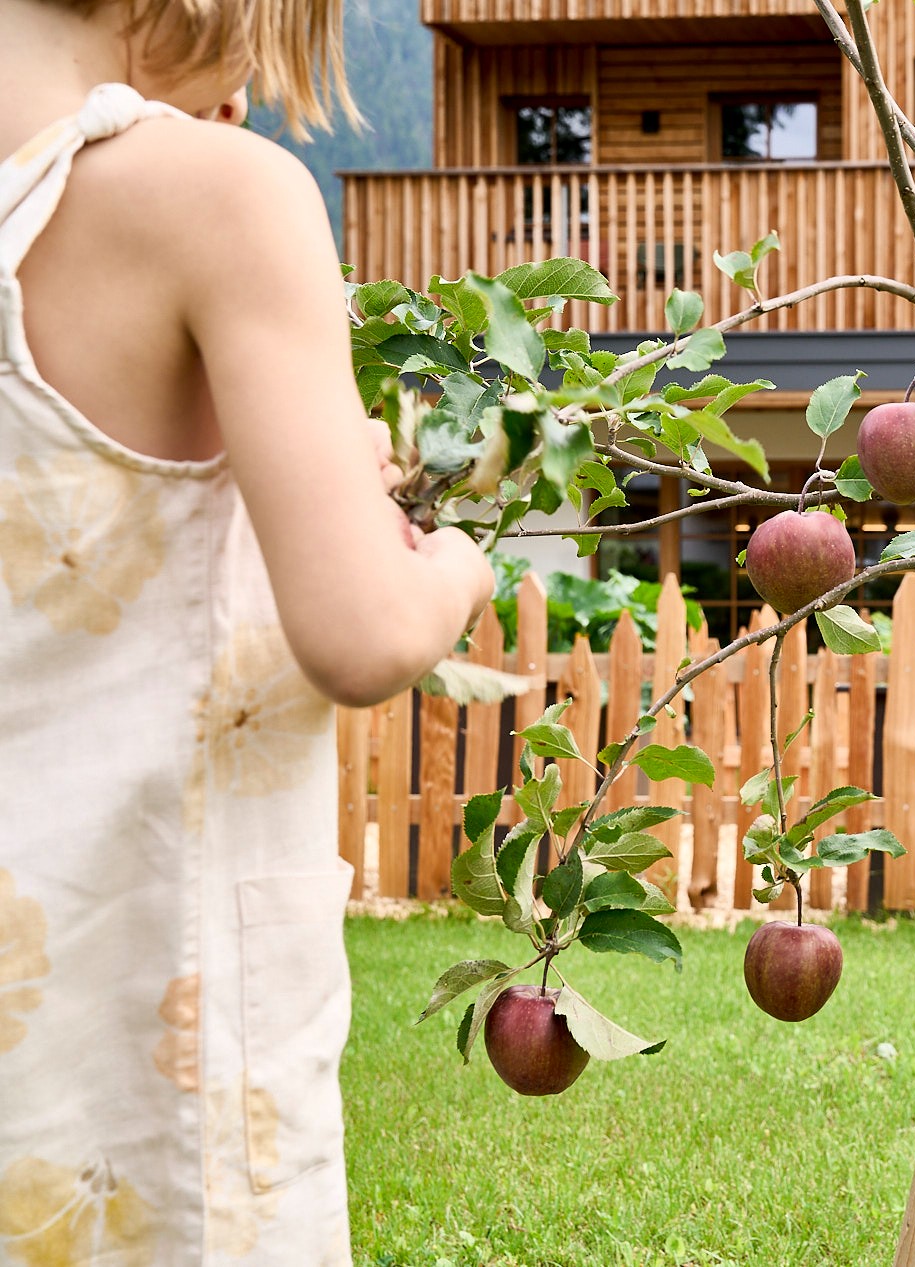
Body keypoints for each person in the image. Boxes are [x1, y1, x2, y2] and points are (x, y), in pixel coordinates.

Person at [0, 1, 494, 1261]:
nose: (252, 104)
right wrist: (453, 560)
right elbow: (363, 633)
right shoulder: (219, 199)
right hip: (148, 1070)